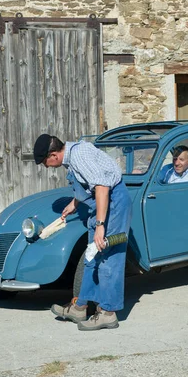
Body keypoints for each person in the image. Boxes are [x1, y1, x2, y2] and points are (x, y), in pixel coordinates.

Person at [33, 134, 132, 331]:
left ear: (53, 155)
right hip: (102, 204)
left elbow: (102, 187)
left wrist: (101, 225)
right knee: (91, 256)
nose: (47, 166)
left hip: (113, 203)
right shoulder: (71, 158)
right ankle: (80, 306)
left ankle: (108, 313)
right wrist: (74, 203)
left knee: (107, 258)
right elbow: (89, 185)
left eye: (45, 162)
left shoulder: (79, 156)